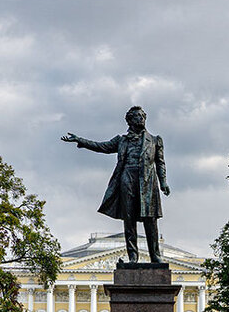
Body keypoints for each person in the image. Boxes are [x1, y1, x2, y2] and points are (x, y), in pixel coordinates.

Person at [61, 106, 171, 264]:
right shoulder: (121, 140)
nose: (141, 119)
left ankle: (155, 256)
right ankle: (133, 256)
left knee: (150, 220)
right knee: (129, 220)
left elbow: (160, 163)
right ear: (130, 120)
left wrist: (164, 182)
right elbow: (101, 147)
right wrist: (80, 140)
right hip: (127, 179)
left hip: (147, 182)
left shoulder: (155, 140)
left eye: (143, 116)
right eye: (137, 116)